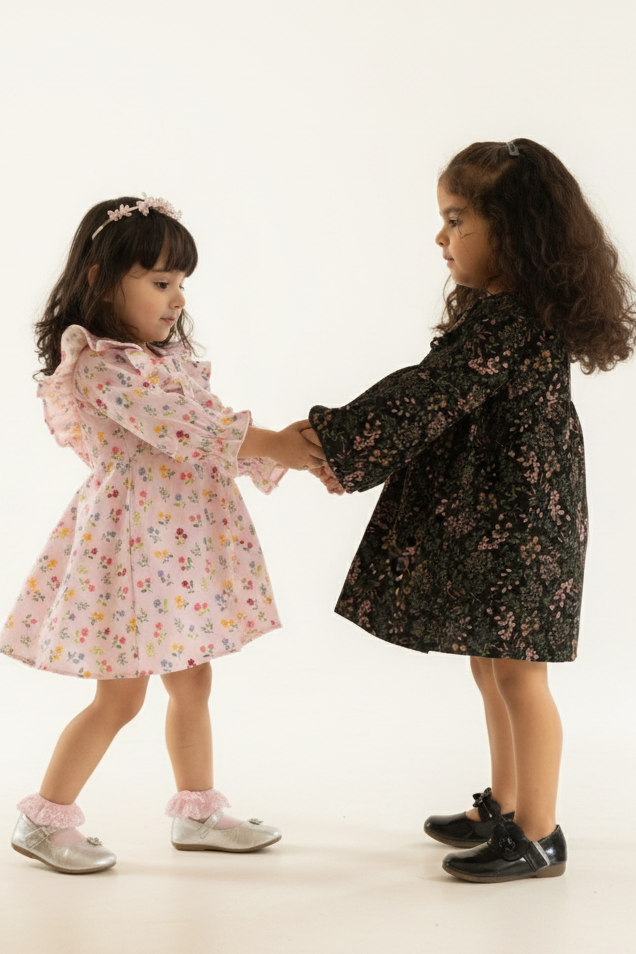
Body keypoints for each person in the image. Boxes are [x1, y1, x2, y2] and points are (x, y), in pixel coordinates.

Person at [305, 140, 636, 883]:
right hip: (504, 515)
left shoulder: (512, 320)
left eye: (457, 219)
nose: (440, 237)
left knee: (520, 674)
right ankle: (509, 806)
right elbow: (439, 395)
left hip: (525, 522)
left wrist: (334, 439)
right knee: (492, 666)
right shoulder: (500, 312)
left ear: (513, 229)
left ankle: (541, 835)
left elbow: (428, 394)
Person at [1, 195, 327, 874]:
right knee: (121, 693)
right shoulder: (97, 365)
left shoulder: (166, 357)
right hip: (131, 547)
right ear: (99, 279)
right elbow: (188, 432)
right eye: (159, 283)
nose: (176, 299)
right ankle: (45, 817)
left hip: (178, 542)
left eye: (181, 284)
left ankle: (198, 808)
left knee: (192, 678)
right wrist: (280, 444)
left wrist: (289, 450)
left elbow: (211, 426)